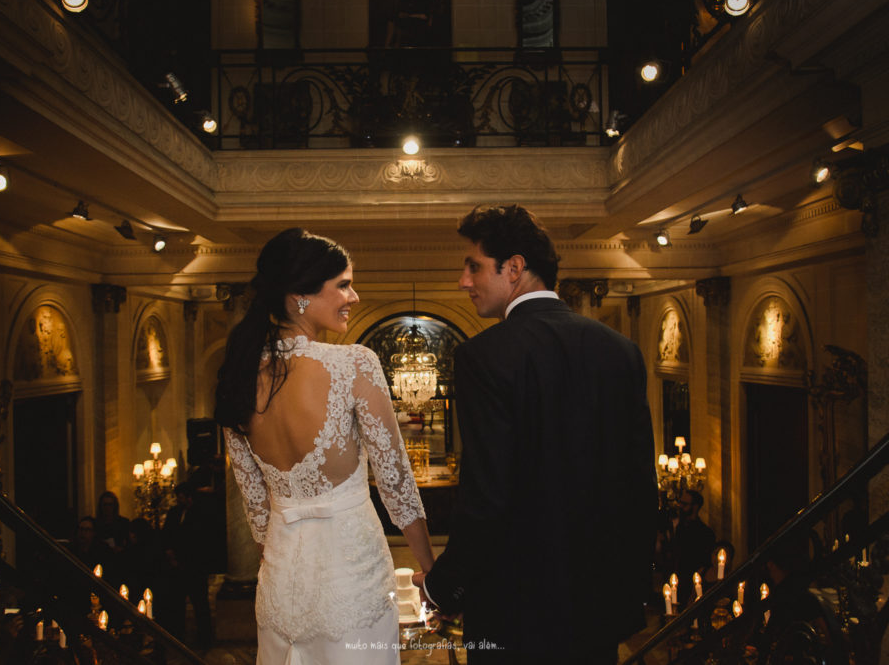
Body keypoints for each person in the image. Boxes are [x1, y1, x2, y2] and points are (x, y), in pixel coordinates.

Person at [414, 204, 658, 664]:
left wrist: (442, 587)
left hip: (515, 614)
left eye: (474, 266)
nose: (463, 281)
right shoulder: (621, 350)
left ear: (515, 268)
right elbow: (640, 485)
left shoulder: (483, 357)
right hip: (600, 610)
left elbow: (487, 497)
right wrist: (630, 592)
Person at [214, 227, 434, 664]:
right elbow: (397, 487)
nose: (354, 297)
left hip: (279, 585)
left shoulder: (236, 375)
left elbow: (257, 509)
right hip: (352, 581)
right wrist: (431, 567)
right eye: (344, 285)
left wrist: (282, 566)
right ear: (300, 296)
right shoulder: (354, 363)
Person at [161, 481, 214, 650]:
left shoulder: (201, 513)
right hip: (176, 567)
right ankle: (178, 638)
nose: (179, 499)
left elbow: (201, 540)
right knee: (176, 604)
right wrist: (170, 553)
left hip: (195, 567)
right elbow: (167, 534)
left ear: (189, 497)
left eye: (181, 496)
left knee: (200, 605)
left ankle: (205, 640)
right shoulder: (174, 512)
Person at [669, 489, 717, 606]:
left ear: (695, 507)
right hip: (675, 582)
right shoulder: (677, 528)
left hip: (691, 585)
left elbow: (704, 562)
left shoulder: (705, 533)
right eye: (680, 503)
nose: (680, 506)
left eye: (684, 504)